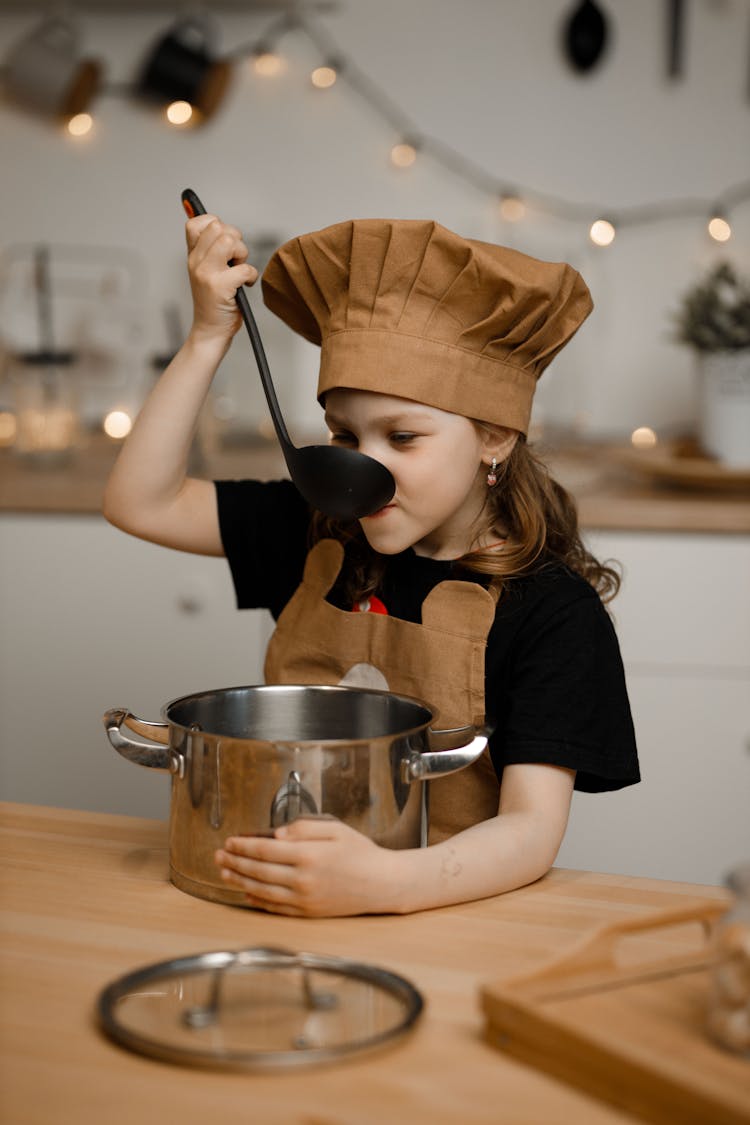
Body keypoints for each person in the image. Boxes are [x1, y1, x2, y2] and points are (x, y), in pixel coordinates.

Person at [104, 211, 639, 918]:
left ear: (496, 435)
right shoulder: (316, 532)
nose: (364, 468)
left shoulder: (551, 615)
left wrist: (381, 883)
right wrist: (208, 338)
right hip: (276, 899)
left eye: (404, 436)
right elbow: (140, 501)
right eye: (345, 434)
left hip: (446, 923)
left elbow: (531, 831)